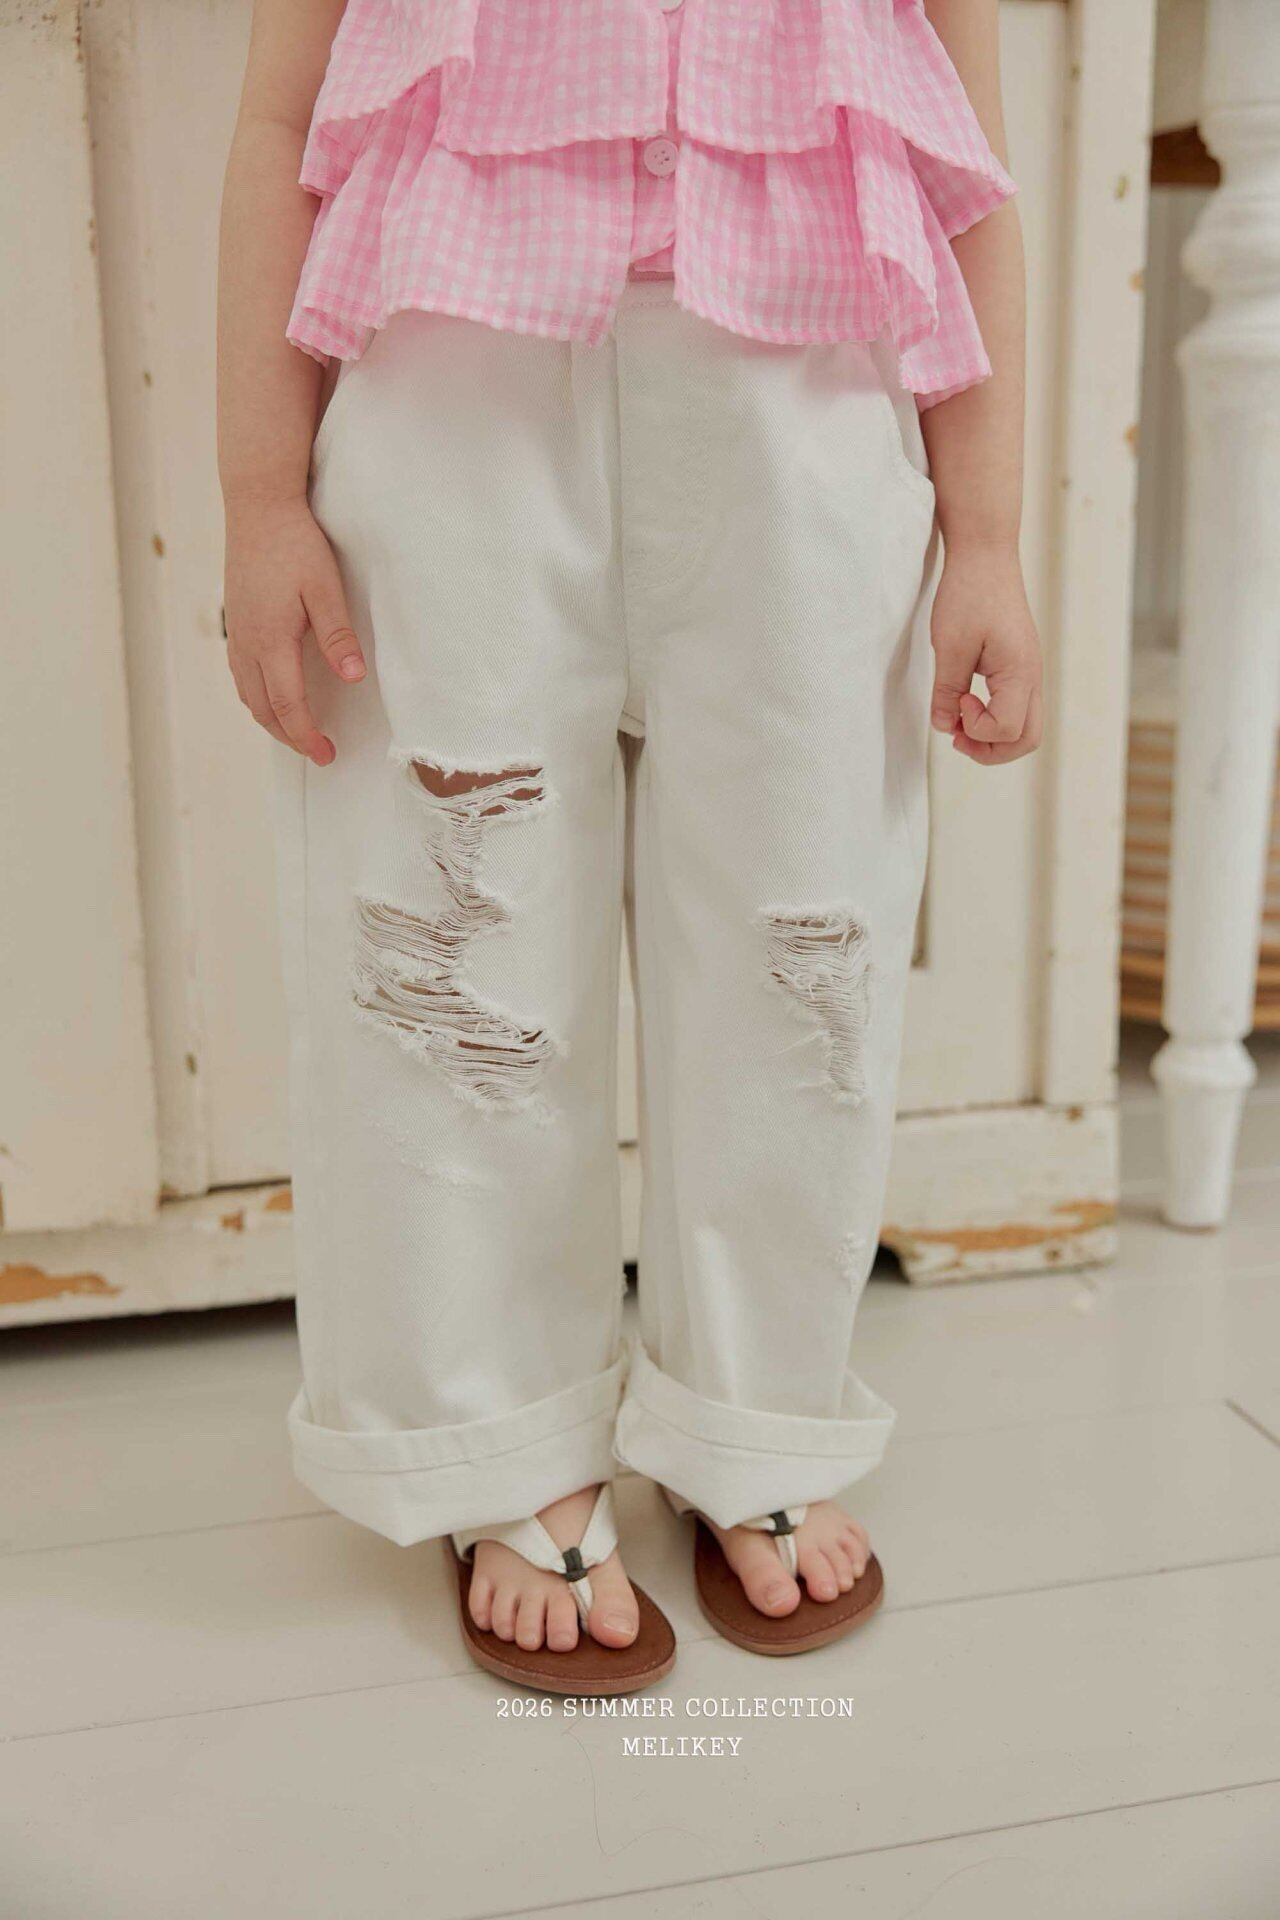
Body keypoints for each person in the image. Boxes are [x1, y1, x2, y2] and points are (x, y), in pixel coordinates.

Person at [218, 0, 1042, 1695]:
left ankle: (759, 1409)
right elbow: (277, 121)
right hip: (451, 378)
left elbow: (968, 168)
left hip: (803, 391)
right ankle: (499, 1433)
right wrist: (258, 496)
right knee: (457, 941)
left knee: (800, 942)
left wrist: (990, 534)